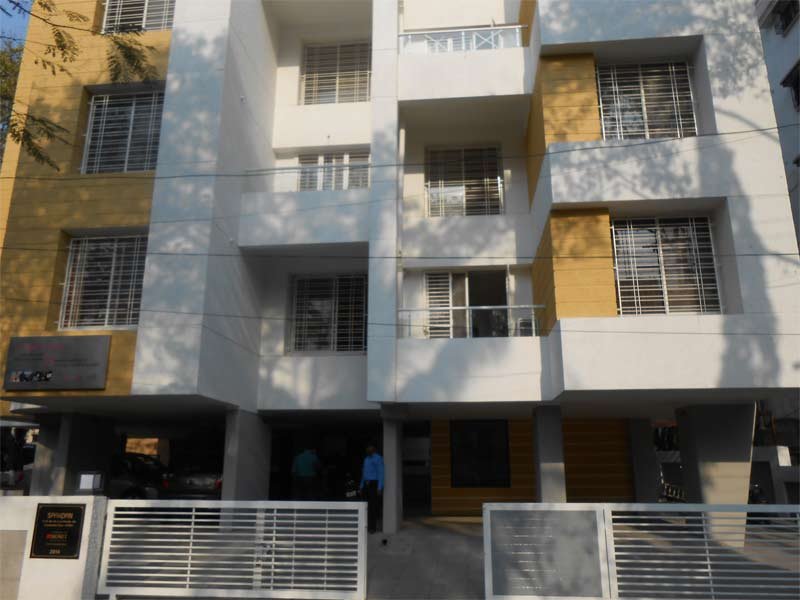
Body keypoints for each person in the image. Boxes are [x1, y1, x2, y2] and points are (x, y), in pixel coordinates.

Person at [359, 443, 384, 533]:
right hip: (366, 484)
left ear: (373, 449)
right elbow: (364, 473)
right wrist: (361, 486)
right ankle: (365, 526)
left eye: (369, 447)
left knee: (372, 507)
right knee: (365, 506)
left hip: (373, 484)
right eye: (367, 448)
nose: (368, 449)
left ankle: (372, 528)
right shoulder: (366, 459)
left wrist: (379, 487)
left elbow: (381, 473)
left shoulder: (378, 458)